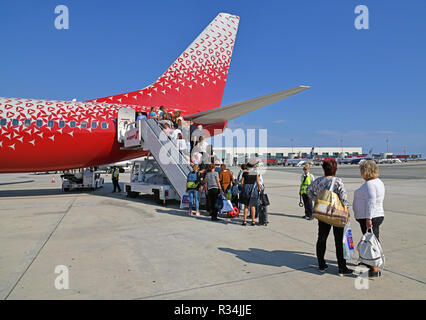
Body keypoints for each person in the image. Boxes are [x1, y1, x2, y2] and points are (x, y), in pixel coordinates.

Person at [307, 159, 353, 276]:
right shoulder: (337, 181)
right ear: (335, 169)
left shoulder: (318, 181)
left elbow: (308, 191)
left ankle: (321, 264)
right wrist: (346, 212)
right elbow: (344, 198)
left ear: (324, 169)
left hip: (322, 213)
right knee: (339, 241)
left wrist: (317, 200)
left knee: (322, 238)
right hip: (336, 214)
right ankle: (342, 267)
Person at [353, 160, 385, 278]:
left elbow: (371, 201)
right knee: (372, 240)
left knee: (371, 243)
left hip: (370, 217)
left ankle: (375, 268)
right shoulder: (378, 182)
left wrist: (368, 218)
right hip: (376, 215)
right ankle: (368, 262)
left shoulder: (370, 184)